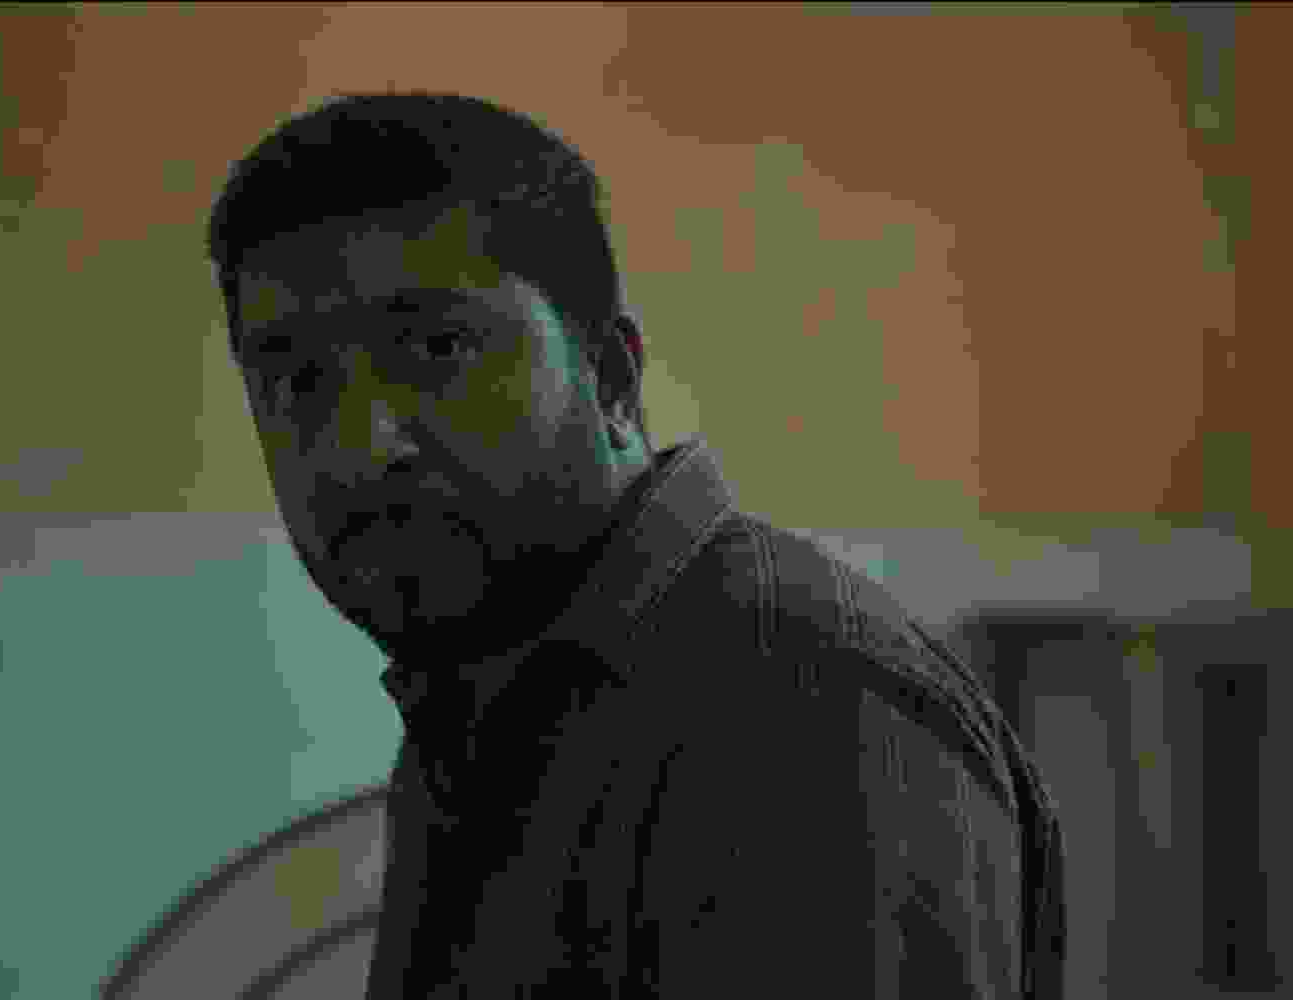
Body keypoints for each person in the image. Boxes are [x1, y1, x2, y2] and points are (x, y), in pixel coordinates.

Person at [205, 91, 1066, 999]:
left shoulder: (790, 702)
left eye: (436, 349)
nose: (361, 444)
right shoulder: (484, 710)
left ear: (611, 375)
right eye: (298, 381)